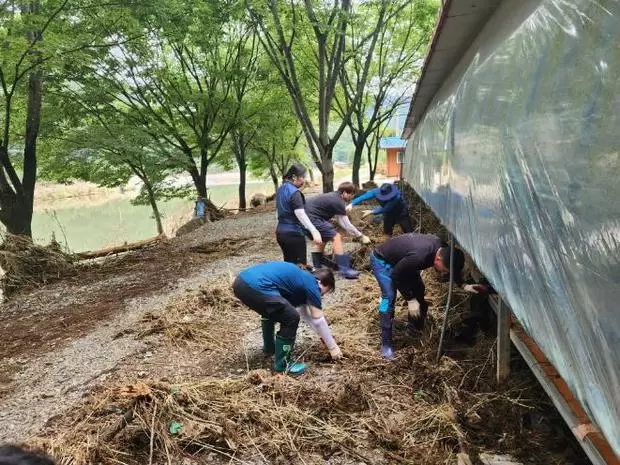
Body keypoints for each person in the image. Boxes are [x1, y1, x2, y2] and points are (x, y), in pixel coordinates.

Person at [369, 233, 484, 360]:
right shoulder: (419, 257)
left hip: (403, 262)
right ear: (438, 260)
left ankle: (414, 329)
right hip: (382, 261)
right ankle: (386, 344)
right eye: (444, 269)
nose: (444, 272)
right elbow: (396, 275)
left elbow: (452, 266)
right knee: (389, 297)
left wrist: (464, 285)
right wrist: (410, 300)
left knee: (419, 289)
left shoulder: (443, 248)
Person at [232, 261, 341, 376]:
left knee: (274, 308)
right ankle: (283, 366)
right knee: (291, 317)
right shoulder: (312, 284)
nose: (321, 296)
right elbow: (318, 319)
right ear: (321, 283)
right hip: (256, 286)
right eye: (325, 291)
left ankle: (269, 348)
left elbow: (305, 314)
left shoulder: (300, 278)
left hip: (240, 282)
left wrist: (322, 336)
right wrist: (333, 348)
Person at [305, 182, 371, 279]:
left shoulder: (334, 197)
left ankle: (317, 266)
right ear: (344, 193)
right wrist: (361, 236)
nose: (352, 197)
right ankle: (345, 270)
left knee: (323, 237)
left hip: (308, 218)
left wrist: (343, 210)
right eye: (351, 194)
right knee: (336, 237)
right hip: (312, 218)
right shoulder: (338, 201)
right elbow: (344, 223)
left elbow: (340, 219)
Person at [275, 163, 322, 265]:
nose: (304, 180)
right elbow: (300, 214)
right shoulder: (294, 193)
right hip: (293, 233)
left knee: (289, 264)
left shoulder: (280, 189)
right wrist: (314, 231)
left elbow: (278, 211)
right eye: (303, 177)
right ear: (294, 177)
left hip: (280, 233)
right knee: (300, 266)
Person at [346, 182, 413, 236]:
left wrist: (372, 211)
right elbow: (364, 196)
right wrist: (352, 204)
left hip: (401, 213)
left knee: (408, 232)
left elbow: (386, 208)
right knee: (387, 232)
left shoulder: (396, 197)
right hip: (388, 214)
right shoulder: (376, 191)